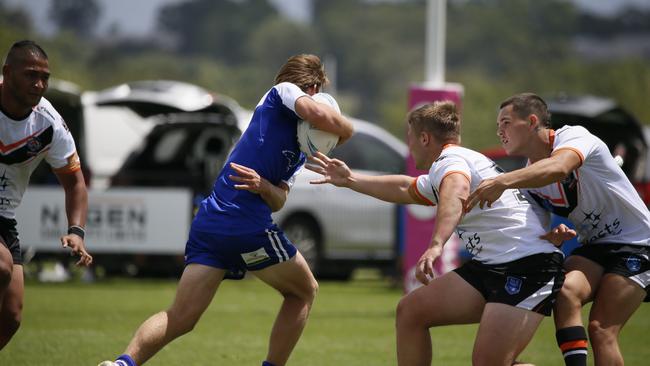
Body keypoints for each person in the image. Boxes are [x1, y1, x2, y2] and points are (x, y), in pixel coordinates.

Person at [98, 54, 353, 366]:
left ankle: (123, 364)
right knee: (304, 291)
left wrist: (264, 186)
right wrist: (346, 129)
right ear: (311, 87)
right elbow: (316, 113)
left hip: (211, 224)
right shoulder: (282, 92)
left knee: (181, 317)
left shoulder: (300, 148)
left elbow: (280, 199)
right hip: (244, 226)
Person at [307, 100, 568, 366]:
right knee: (411, 311)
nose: (408, 147)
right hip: (493, 265)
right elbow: (405, 188)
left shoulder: (450, 162)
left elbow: (456, 190)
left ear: (424, 138)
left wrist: (436, 245)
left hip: (528, 266)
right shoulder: (454, 161)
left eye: (409, 139)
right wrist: (350, 179)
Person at [465, 92, 650, 366]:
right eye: (497, 125)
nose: (499, 131)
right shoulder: (531, 175)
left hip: (639, 242)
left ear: (531, 121)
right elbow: (539, 231)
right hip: (597, 247)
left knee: (601, 329)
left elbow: (559, 167)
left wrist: (502, 181)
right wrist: (552, 236)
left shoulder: (573, 137)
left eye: (505, 122)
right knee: (564, 293)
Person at [0, 40, 92, 349]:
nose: (39, 84)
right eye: (30, 75)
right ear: (7, 73)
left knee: (10, 317)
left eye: (45, 77)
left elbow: (75, 182)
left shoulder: (48, 124)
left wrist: (76, 231)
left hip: (4, 219)